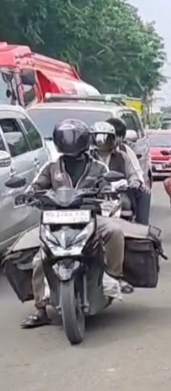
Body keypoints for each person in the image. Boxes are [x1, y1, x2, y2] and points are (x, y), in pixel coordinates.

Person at [21, 119, 127, 329]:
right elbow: (36, 186)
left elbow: (107, 184)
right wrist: (28, 194)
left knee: (115, 231)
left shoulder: (98, 166)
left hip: (90, 217)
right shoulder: (51, 166)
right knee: (39, 260)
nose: (70, 144)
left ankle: (114, 276)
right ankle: (40, 309)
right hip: (56, 220)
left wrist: (108, 190)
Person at [105, 117, 151, 224]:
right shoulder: (90, 154)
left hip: (120, 191)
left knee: (144, 193)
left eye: (118, 136)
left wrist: (138, 183)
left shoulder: (124, 153)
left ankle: (142, 228)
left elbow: (135, 172)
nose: (115, 139)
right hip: (96, 194)